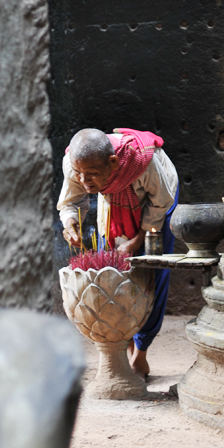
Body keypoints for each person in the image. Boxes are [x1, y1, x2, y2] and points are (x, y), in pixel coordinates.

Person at [57, 126, 178, 378]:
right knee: (115, 274)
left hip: (158, 202)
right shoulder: (75, 164)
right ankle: (127, 345)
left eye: (91, 174)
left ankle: (140, 354)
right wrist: (70, 224)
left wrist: (136, 242)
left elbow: (161, 203)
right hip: (115, 201)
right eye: (79, 173)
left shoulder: (145, 163)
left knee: (151, 273)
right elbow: (70, 202)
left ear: (113, 163)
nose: (83, 180)